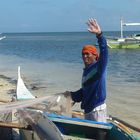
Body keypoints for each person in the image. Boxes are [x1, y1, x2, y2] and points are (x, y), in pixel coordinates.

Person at [65, 18, 108, 123]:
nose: (85, 56)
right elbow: (85, 91)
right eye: (83, 54)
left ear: (95, 55)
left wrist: (100, 35)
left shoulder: (98, 67)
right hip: (88, 111)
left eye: (88, 54)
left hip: (97, 110)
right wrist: (71, 95)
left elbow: (104, 51)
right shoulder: (86, 72)